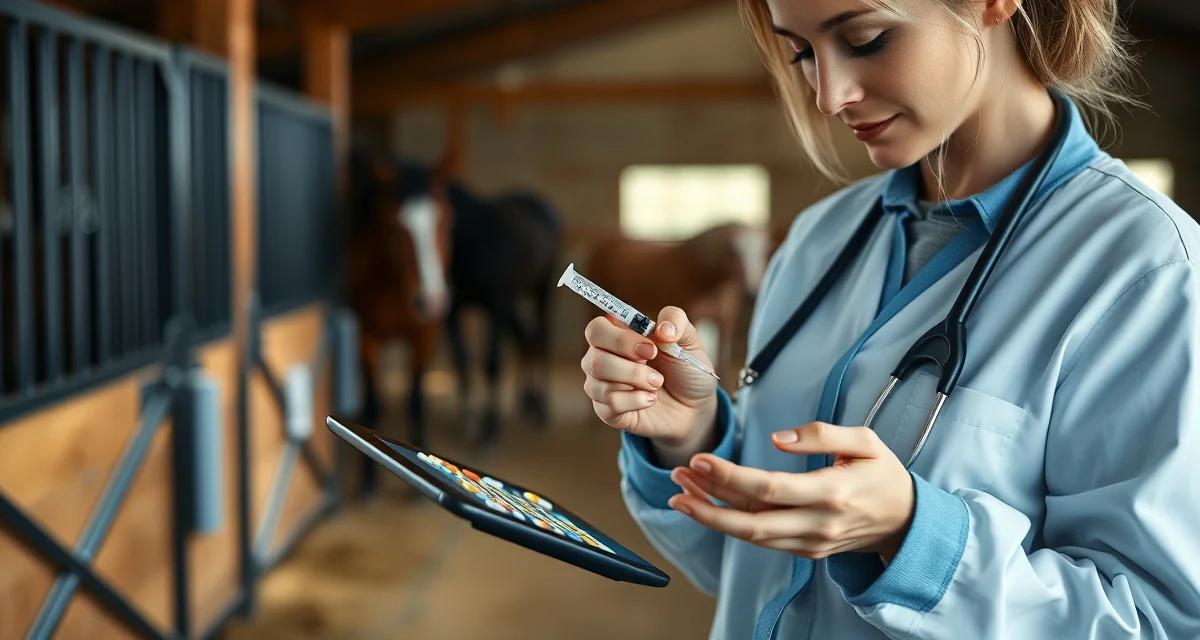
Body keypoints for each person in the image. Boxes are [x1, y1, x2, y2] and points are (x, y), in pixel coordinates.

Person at [579, 0, 1200, 637]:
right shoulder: (816, 242)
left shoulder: (1147, 269)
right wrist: (692, 436)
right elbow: (754, 571)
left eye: (867, 39)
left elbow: (1154, 623)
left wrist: (914, 539)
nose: (828, 96)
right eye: (802, 52)